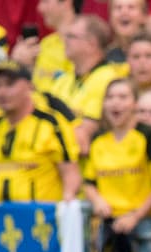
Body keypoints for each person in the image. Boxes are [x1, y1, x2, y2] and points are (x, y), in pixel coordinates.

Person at [82, 77, 151, 252]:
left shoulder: (148, 135)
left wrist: (135, 216)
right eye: (110, 97)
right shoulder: (99, 139)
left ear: (134, 104)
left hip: (145, 223)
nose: (115, 103)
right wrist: (98, 201)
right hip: (110, 226)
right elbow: (89, 182)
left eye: (122, 97)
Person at [0, 60, 79, 209]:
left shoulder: (50, 123)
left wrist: (68, 200)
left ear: (29, 85)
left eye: (9, 85)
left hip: (40, 220)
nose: (2, 92)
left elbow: (71, 172)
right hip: (3, 221)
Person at [55, 13, 123, 151]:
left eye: (71, 36)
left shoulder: (108, 78)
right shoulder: (62, 80)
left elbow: (84, 138)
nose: (64, 41)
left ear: (91, 43)